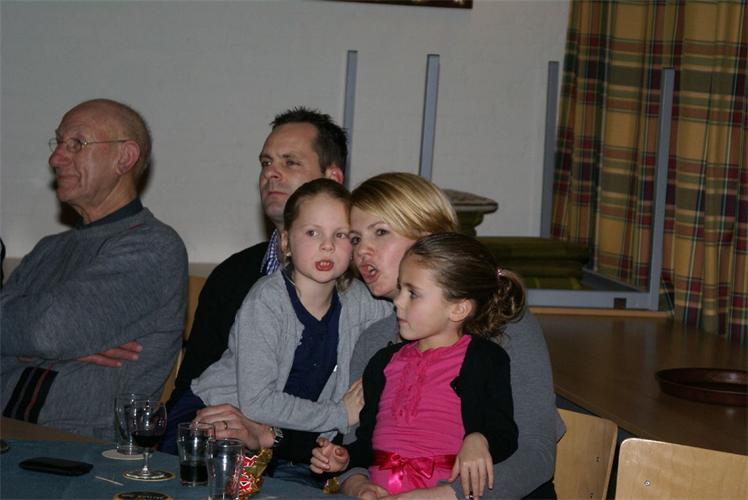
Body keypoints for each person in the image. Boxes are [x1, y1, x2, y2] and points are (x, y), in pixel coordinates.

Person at [340, 172, 563, 499]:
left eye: (381, 232)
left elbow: (536, 454)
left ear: (430, 239)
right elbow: (356, 446)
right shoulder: (374, 341)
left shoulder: (506, 323)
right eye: (355, 238)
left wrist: (449, 495)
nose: (362, 250)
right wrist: (358, 485)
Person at [0, 99, 187, 438]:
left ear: (124, 158)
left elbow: (51, 330)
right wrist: (50, 344)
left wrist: (31, 342)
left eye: (76, 143)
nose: (55, 158)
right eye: (58, 142)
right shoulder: (47, 249)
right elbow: (50, 334)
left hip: (80, 448)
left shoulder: (154, 247)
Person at [162, 108, 348, 449]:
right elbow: (190, 385)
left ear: (331, 178)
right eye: (266, 162)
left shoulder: (357, 286)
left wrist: (268, 436)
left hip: (311, 454)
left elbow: (358, 413)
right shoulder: (232, 275)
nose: (271, 173)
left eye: (290, 162)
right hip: (219, 445)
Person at [188, 179, 390, 485]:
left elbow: (403, 319)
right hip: (220, 425)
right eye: (312, 233)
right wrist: (339, 414)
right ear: (285, 241)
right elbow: (257, 402)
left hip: (288, 444)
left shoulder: (359, 301)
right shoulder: (267, 301)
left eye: (340, 235)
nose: (327, 245)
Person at [312, 232, 522, 496]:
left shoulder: (485, 359)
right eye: (401, 288)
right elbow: (368, 443)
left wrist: (479, 439)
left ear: (458, 309)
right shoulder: (383, 362)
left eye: (413, 294)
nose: (398, 301)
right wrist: (344, 457)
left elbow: (504, 434)